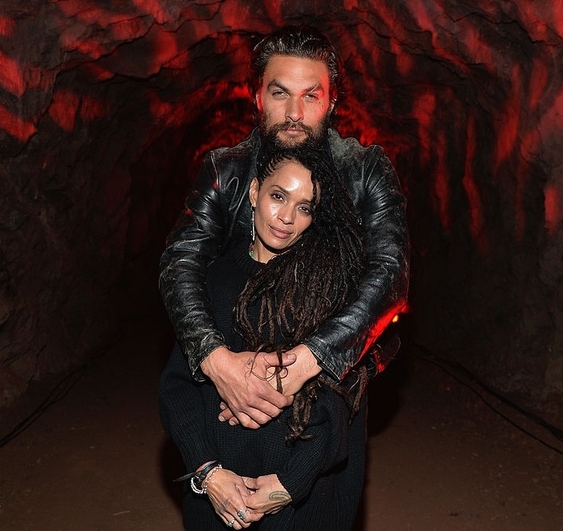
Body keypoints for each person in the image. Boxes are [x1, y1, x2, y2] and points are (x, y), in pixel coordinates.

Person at [158, 24, 408, 429]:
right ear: (258, 98)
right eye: (280, 93)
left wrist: (309, 360)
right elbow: (181, 261)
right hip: (234, 388)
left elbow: (391, 274)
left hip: (333, 386)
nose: (295, 113)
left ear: (331, 103)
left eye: (311, 95)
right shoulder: (226, 171)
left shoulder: (366, 171)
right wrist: (218, 362)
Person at [159, 144, 370, 529]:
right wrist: (209, 474)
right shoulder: (209, 279)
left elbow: (343, 404)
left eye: (304, 207)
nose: (287, 217)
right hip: (218, 501)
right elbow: (178, 389)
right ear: (255, 192)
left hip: (300, 505)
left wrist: (289, 484)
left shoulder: (327, 288)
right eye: (278, 196)